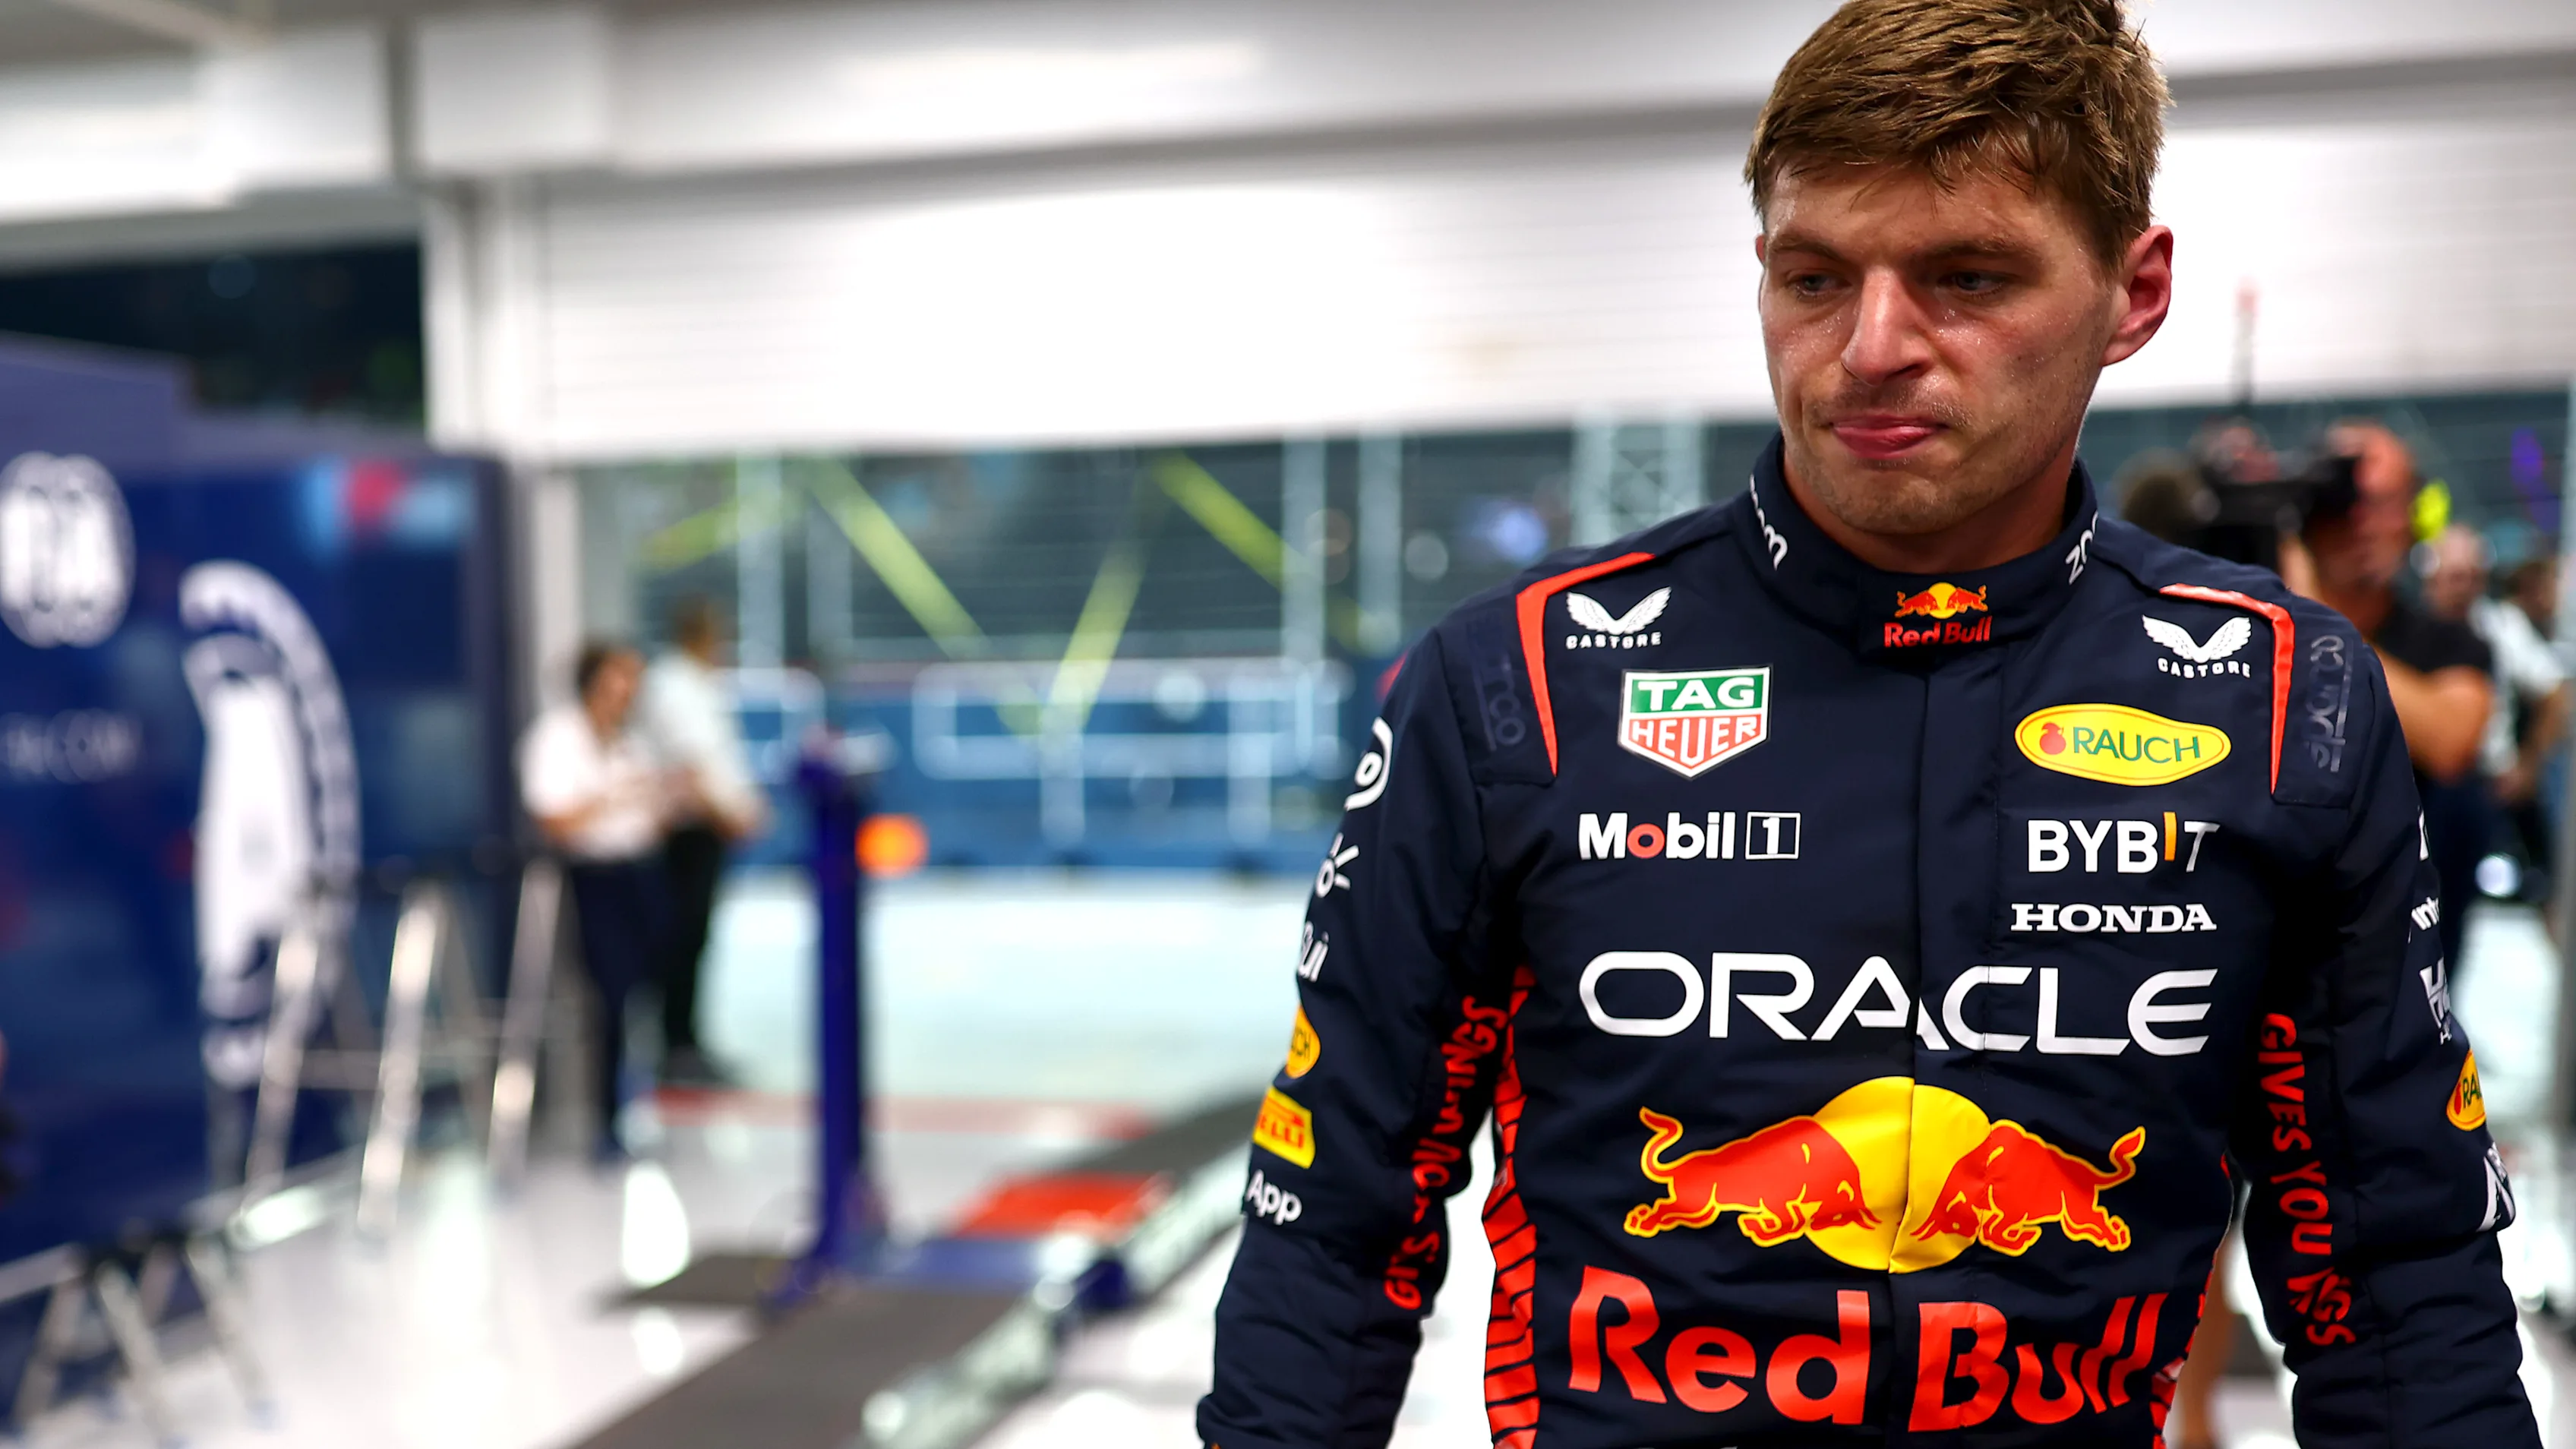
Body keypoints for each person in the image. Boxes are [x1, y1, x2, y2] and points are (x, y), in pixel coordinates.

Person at [1199, 2, 2536, 1445]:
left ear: (2133, 292)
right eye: (1815, 277)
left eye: (1967, 277)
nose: (1872, 345)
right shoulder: (1515, 680)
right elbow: (1331, 1227)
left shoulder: (2281, 699)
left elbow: (2399, 1274)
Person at [2291, 425, 2493, 971]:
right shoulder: (2256, 634)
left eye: (2380, 503)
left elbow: (2450, 743)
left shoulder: (2448, 641)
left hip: (2404, 944)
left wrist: (2306, 613)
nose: (2359, 521)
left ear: (2412, 516)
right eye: (2341, 501)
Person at [519, 641, 673, 1160]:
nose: (629, 690)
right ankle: (607, 1121)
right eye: (619, 678)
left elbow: (652, 816)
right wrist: (613, 799)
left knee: (645, 990)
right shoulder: (557, 739)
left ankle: (639, 1102)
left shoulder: (633, 743)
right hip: (592, 878)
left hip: (640, 873)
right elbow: (555, 819)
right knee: (608, 997)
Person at [637, 597, 767, 1088]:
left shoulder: (696, 683)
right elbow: (691, 766)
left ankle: (689, 1042)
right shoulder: (674, 686)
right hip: (690, 832)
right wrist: (728, 815)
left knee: (696, 939)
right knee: (683, 938)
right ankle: (677, 1048)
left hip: (706, 828)